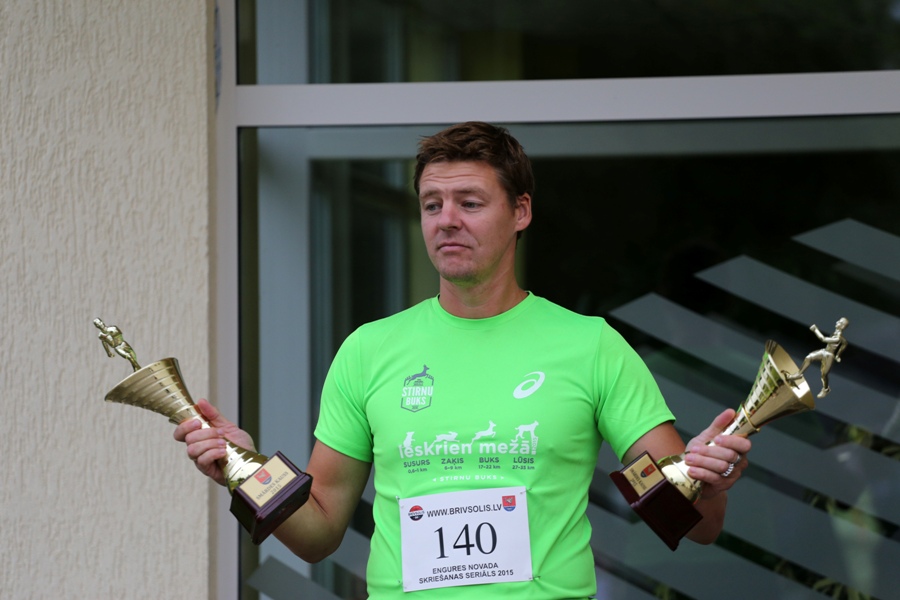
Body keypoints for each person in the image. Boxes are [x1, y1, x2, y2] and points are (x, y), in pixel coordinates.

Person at [176, 122, 752, 599]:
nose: (446, 219)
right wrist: (244, 471)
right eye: (432, 204)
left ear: (521, 211)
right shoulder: (368, 350)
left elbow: (700, 526)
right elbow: (318, 531)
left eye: (470, 203)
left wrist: (707, 483)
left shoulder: (591, 345)